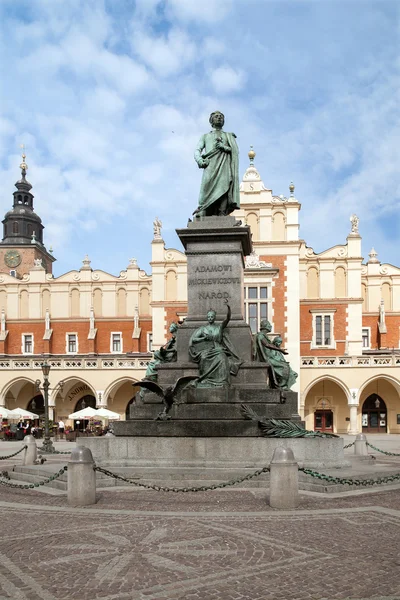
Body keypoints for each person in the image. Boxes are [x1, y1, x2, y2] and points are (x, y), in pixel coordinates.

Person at [193, 111, 240, 217]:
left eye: (221, 117)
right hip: (210, 165)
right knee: (206, 187)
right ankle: (203, 208)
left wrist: (223, 147)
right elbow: (197, 150)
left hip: (224, 165)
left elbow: (235, 151)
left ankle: (222, 212)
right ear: (211, 121)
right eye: (216, 117)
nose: (219, 118)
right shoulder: (205, 136)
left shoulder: (228, 136)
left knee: (224, 186)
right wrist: (200, 160)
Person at [189, 304, 242, 387]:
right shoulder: (203, 329)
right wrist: (203, 338)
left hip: (218, 348)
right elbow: (194, 339)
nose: (210, 318)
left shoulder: (219, 327)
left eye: (212, 316)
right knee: (203, 357)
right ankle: (205, 379)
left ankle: (222, 381)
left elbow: (227, 319)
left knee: (222, 358)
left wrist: (229, 308)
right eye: (209, 316)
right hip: (206, 349)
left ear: (214, 317)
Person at [253, 320, 297, 390]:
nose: (270, 326)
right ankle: (281, 385)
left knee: (286, 366)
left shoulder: (264, 336)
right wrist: (280, 350)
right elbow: (267, 345)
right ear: (265, 326)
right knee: (284, 366)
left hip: (270, 358)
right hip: (266, 359)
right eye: (269, 325)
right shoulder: (260, 335)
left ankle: (282, 385)